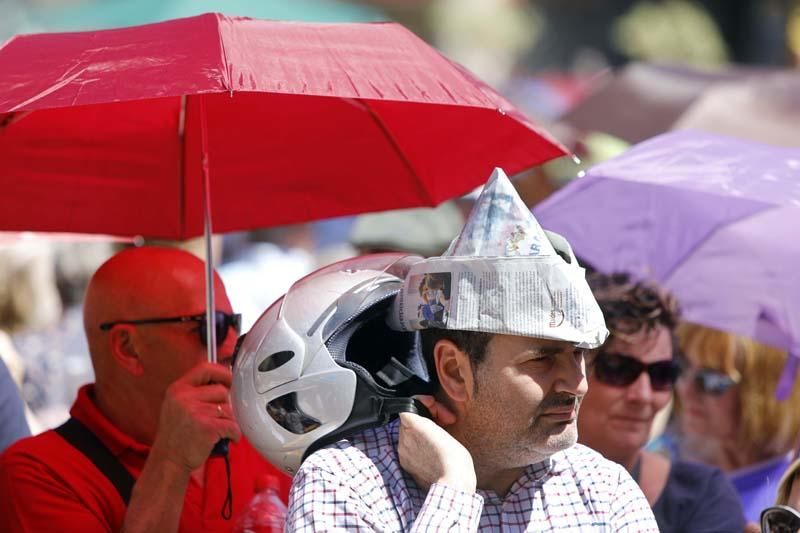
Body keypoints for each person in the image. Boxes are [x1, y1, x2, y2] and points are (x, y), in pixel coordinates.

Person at [282, 168, 658, 531]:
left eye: (578, 353)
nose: (576, 384)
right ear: (454, 371)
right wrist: (453, 492)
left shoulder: (604, 491)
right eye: (542, 359)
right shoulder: (345, 485)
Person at [0, 246, 290, 532]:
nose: (230, 347)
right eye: (210, 326)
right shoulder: (39, 472)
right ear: (128, 348)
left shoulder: (263, 438)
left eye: (232, 324)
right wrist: (171, 462)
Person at [578, 272, 745, 532]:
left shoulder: (703, 497)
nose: (643, 395)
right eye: (619, 369)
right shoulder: (515, 492)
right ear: (574, 370)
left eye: (661, 374)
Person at [674, 323, 800, 523]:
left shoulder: (787, 503)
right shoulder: (662, 454)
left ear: (762, 391)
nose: (685, 390)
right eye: (681, 366)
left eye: (712, 380)